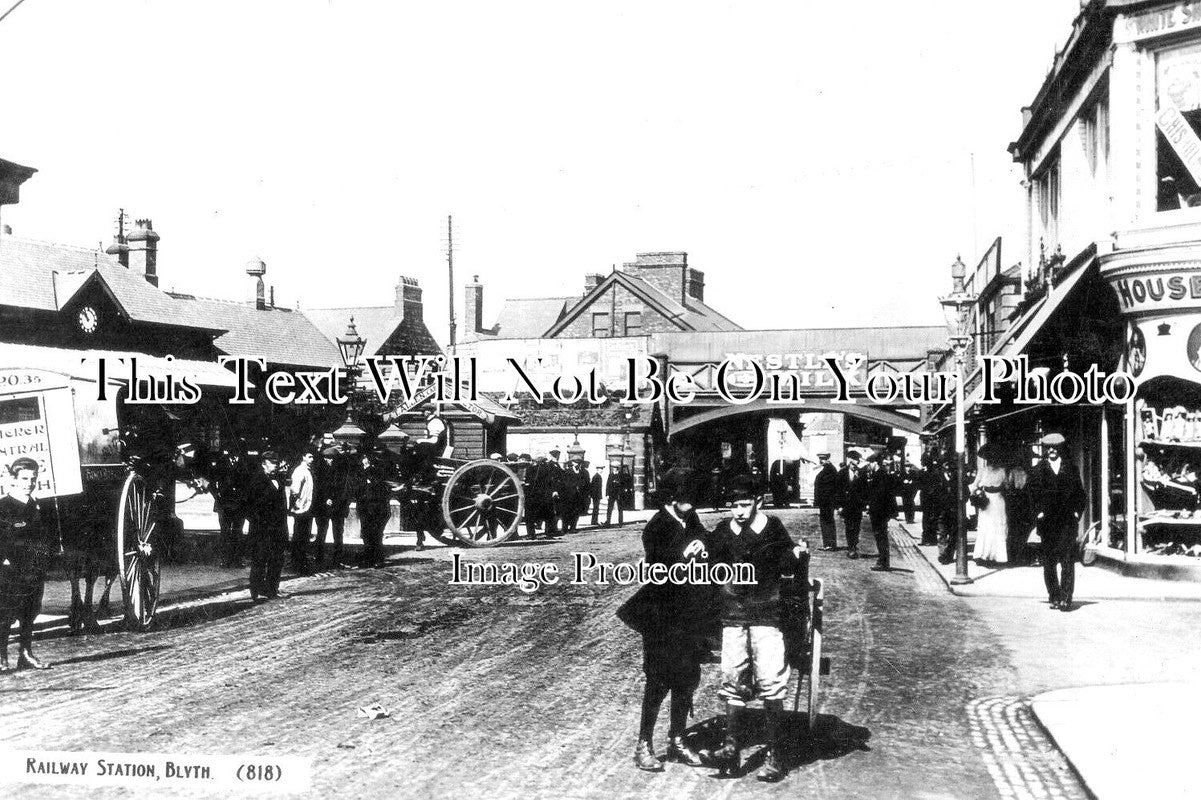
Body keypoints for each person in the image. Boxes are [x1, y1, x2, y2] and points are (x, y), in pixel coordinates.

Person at [707, 474, 807, 782]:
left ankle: (775, 755)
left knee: (770, 678)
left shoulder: (772, 527)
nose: (738, 511)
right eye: (734, 505)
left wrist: (797, 554)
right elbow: (709, 562)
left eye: (744, 505)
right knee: (732, 676)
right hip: (734, 615)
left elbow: (788, 563)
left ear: (758, 502)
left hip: (767, 615)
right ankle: (731, 749)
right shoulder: (724, 531)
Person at [624, 468, 717, 772]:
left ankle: (677, 739)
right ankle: (644, 744)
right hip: (662, 615)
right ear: (673, 497)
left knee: (687, 677)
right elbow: (660, 570)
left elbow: (703, 536)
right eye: (686, 498)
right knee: (659, 679)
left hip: (688, 613)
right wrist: (686, 554)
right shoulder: (656, 527)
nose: (693, 505)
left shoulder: (687, 517)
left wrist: (702, 543)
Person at [0, 458, 55, 670]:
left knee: (30, 612)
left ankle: (26, 654)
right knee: (5, 614)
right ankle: (2, 656)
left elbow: (43, 539)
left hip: (32, 570)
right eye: (24, 478)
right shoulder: (3, 506)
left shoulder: (36, 506)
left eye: (33, 478)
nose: (29, 483)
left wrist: (41, 563)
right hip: (10, 571)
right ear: (13, 479)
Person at [1027, 433, 1086, 611]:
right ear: (1045, 450)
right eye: (1048, 448)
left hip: (1067, 520)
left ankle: (1066, 598)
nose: (1052, 450)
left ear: (1061, 448)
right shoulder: (1037, 471)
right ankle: (1054, 595)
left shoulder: (1071, 468)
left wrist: (1077, 512)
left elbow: (1080, 494)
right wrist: (1038, 513)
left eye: (1055, 447)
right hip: (1047, 523)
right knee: (1050, 561)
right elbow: (1030, 497)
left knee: (1067, 559)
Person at [246, 452, 289, 602]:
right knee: (259, 559)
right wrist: (259, 524)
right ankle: (255, 591)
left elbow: (282, 506)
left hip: (277, 529)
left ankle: (271, 589)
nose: (276, 465)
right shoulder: (257, 480)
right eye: (272, 462)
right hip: (262, 530)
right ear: (264, 464)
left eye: (276, 462)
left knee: (276, 559)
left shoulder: (279, 480)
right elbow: (250, 506)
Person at [313, 445, 352, 566]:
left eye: (331, 458)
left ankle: (337, 559)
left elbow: (344, 489)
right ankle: (319, 558)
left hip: (338, 507)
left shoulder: (342, 472)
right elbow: (317, 488)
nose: (328, 460)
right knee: (321, 533)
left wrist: (334, 500)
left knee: (338, 533)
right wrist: (325, 499)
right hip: (323, 507)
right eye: (326, 458)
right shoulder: (320, 470)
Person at [970, 450, 1010, 565]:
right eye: (990, 458)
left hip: (998, 500)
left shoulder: (1002, 471)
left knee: (998, 526)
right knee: (986, 526)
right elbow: (974, 485)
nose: (992, 460)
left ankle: (997, 556)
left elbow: (1006, 485)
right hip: (986, 501)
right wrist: (978, 494)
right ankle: (983, 555)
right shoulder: (982, 471)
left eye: (994, 457)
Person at [355, 451, 393, 568]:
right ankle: (369, 559)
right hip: (365, 509)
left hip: (378, 510)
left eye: (366, 458)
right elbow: (358, 490)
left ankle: (377, 559)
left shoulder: (378, 473)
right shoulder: (361, 473)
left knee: (376, 535)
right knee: (367, 534)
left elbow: (380, 490)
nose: (364, 461)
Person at [866, 457, 899, 571]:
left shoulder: (880, 475)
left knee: (881, 537)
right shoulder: (880, 474)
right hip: (880, 511)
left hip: (879, 512)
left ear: (876, 463)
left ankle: (883, 562)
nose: (868, 465)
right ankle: (883, 561)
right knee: (880, 537)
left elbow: (881, 495)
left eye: (870, 462)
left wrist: (873, 508)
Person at [288, 450, 316, 575]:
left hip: (307, 508)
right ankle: (297, 564)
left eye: (313, 457)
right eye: (309, 457)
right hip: (301, 509)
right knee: (299, 537)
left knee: (304, 537)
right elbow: (295, 490)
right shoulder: (300, 471)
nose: (312, 459)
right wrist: (296, 505)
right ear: (303, 457)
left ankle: (301, 563)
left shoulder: (309, 471)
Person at [837, 451, 869, 559]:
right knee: (849, 527)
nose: (857, 463)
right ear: (850, 461)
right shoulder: (842, 473)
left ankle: (854, 545)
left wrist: (865, 505)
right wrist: (839, 506)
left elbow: (865, 490)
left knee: (857, 527)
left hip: (857, 505)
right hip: (846, 505)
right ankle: (851, 548)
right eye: (855, 460)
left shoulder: (861, 473)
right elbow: (838, 491)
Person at [813, 453, 840, 551]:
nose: (821, 461)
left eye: (823, 459)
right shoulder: (826, 469)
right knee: (826, 522)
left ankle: (830, 544)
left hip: (827, 502)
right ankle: (829, 543)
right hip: (825, 502)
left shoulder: (830, 470)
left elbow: (830, 488)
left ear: (827, 459)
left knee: (827, 522)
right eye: (820, 459)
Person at [918, 448, 945, 547]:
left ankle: (930, 539)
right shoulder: (925, 472)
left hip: (932, 499)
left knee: (931, 519)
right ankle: (926, 539)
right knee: (926, 519)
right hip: (926, 499)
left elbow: (937, 485)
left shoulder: (935, 472)